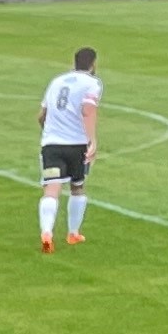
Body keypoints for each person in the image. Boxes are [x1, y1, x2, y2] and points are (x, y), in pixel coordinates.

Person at [36, 45, 101, 253]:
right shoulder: (92, 83)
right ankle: (73, 233)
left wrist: (51, 133)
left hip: (52, 145)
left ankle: (47, 233)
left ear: (74, 62)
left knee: (51, 189)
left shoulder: (56, 81)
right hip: (77, 146)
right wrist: (92, 141)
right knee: (77, 187)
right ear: (93, 64)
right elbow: (88, 110)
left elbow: (41, 116)